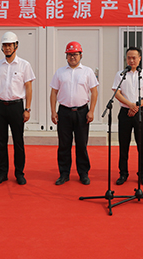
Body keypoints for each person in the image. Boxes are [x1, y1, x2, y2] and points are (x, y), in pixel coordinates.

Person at [0, 31, 35, 185]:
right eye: (5, 45)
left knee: (18, 141)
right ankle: (2, 173)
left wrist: (27, 109)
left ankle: (19, 173)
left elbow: (28, 87)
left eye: (10, 45)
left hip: (16, 107)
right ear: (2, 47)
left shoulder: (24, 65)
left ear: (16, 46)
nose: (7, 48)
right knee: (1, 142)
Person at [50, 41, 99, 185]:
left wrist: (91, 111)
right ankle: (64, 174)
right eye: (70, 54)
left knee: (81, 144)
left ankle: (83, 173)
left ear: (81, 55)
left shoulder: (87, 72)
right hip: (64, 112)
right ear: (66, 56)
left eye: (75, 54)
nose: (72, 57)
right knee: (64, 145)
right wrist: (53, 111)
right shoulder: (60, 72)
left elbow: (94, 92)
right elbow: (53, 92)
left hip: (82, 112)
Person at [112, 47, 143, 186]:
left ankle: (142, 174)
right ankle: (123, 173)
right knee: (123, 145)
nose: (131, 60)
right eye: (129, 57)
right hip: (125, 113)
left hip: (141, 113)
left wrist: (137, 106)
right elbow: (117, 92)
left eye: (134, 57)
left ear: (140, 59)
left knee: (141, 145)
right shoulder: (120, 74)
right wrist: (130, 105)